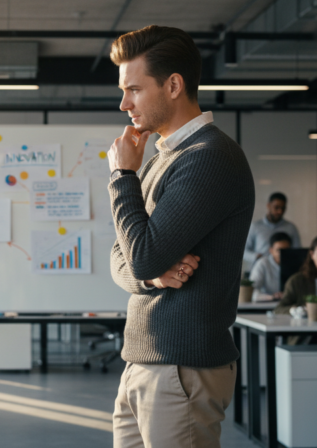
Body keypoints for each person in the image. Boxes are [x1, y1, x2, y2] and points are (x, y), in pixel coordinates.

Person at [106, 25, 254, 448]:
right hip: (146, 362)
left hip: (181, 367)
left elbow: (143, 254)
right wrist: (151, 278)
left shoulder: (209, 159)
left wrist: (122, 176)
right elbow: (122, 256)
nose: (124, 104)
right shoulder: (162, 159)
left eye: (134, 89)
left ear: (173, 85)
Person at [244, 192, 302, 266]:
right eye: (276, 207)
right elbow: (244, 251)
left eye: (283, 208)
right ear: (268, 206)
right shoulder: (255, 227)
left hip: (284, 269)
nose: (280, 211)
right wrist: (256, 257)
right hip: (260, 268)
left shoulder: (291, 228)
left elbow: (297, 251)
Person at [249, 232, 292, 301]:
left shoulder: (297, 263)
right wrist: (272, 297)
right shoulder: (262, 264)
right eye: (279, 250)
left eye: (286, 250)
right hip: (267, 304)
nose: (282, 253)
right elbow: (251, 291)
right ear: (271, 250)